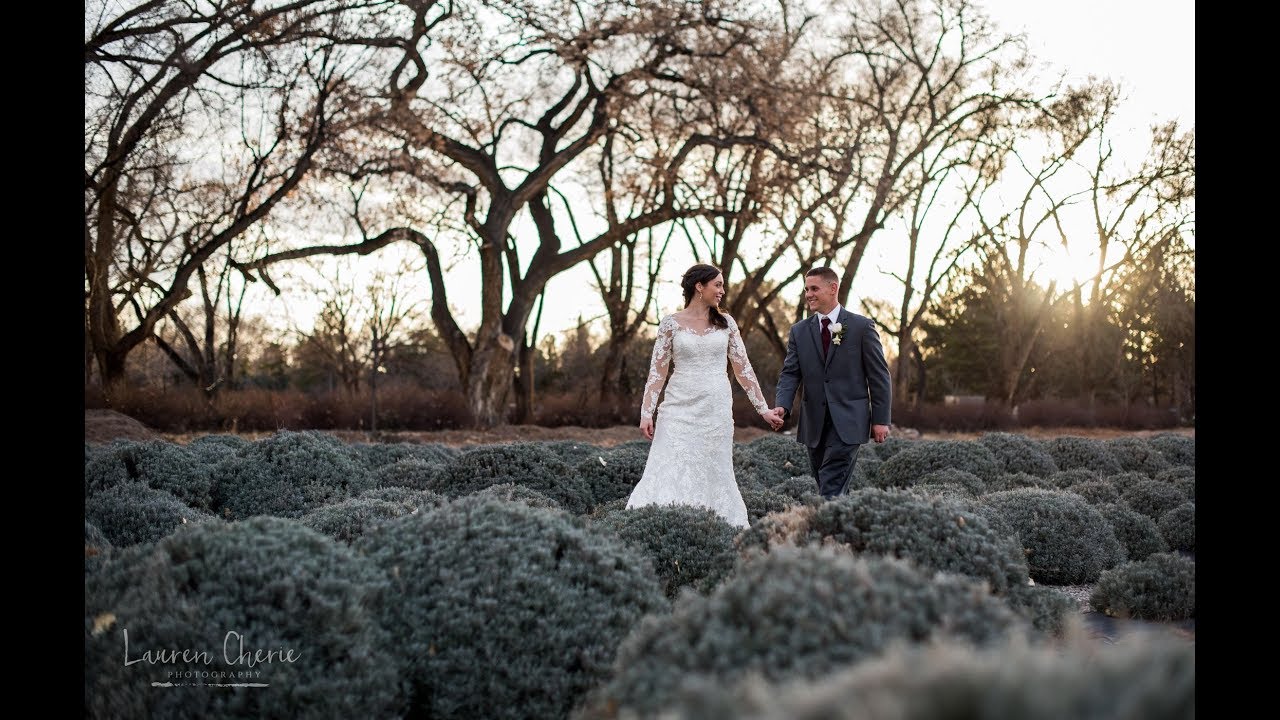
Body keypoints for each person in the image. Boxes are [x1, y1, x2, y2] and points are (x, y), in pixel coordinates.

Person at [627, 264, 782, 528]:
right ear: (699, 286)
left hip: (715, 411)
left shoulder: (726, 323)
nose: (722, 290)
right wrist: (646, 412)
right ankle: (659, 526)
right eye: (717, 285)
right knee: (668, 465)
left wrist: (763, 409)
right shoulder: (670, 324)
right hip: (677, 409)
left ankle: (714, 529)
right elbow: (658, 371)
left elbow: (743, 368)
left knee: (715, 470)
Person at [769, 267, 892, 500]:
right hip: (813, 423)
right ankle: (840, 527)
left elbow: (879, 376)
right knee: (827, 484)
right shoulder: (799, 331)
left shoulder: (862, 327)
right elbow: (790, 374)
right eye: (806, 289)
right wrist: (782, 406)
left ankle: (822, 530)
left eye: (814, 288)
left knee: (830, 483)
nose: (808, 294)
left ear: (833, 288)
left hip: (849, 421)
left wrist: (881, 419)